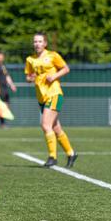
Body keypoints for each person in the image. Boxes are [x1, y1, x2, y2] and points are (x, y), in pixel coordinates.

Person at [25, 32, 78, 168]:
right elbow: (29, 76)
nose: (37, 44)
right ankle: (71, 153)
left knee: (45, 125)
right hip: (41, 97)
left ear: (45, 43)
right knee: (55, 128)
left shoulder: (53, 56)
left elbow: (66, 69)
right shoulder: (30, 59)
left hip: (54, 94)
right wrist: (31, 78)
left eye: (40, 41)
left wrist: (54, 76)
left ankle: (52, 157)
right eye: (35, 41)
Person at [0, 52, 17, 128]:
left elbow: (7, 76)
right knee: (2, 106)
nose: (0, 58)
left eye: (1, 57)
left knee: (6, 105)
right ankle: (2, 124)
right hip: (1, 89)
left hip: (5, 88)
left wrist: (12, 85)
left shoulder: (3, 66)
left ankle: (4, 122)